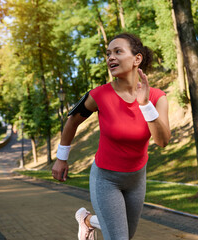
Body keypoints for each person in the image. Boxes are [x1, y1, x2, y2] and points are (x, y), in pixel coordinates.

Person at [52, 33, 171, 240]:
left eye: (118, 52)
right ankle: (88, 222)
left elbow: (163, 141)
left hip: (136, 179)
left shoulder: (157, 97)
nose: (110, 58)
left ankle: (87, 221)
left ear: (137, 59)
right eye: (108, 54)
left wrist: (145, 105)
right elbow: (72, 121)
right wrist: (61, 158)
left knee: (125, 234)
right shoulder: (99, 95)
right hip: (105, 179)